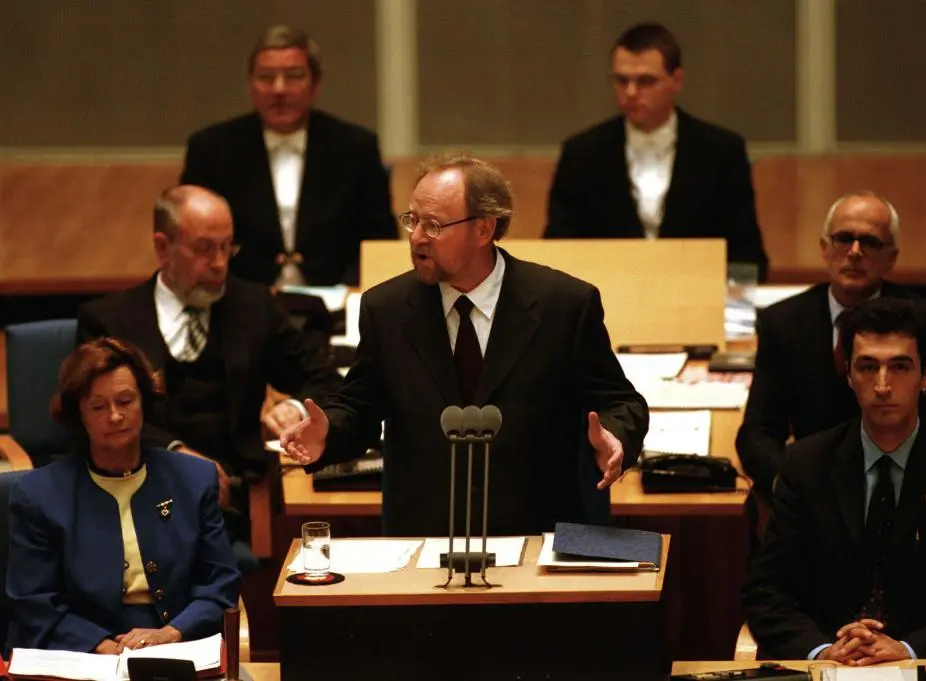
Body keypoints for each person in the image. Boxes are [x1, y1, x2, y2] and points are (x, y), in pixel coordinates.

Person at [279, 153, 649, 537]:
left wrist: (614, 436)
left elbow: (622, 402)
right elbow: (360, 407)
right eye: (413, 220)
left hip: (538, 536)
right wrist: (327, 434)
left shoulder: (564, 305)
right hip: (426, 538)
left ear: (484, 230)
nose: (417, 237)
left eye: (434, 225)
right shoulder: (386, 309)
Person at [77, 185, 342, 570]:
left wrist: (295, 406)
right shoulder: (108, 320)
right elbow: (93, 415)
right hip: (135, 490)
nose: (219, 263)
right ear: (163, 247)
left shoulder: (253, 307)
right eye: (204, 248)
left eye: (227, 247)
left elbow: (326, 378)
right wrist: (176, 455)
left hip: (233, 501)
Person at [742, 297, 926, 662]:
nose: (882, 385)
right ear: (848, 375)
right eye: (867, 367)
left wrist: (910, 649)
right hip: (829, 666)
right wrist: (821, 650)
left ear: (925, 376)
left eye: (899, 367)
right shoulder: (806, 465)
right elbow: (766, 592)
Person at [6, 337, 240, 653]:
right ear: (79, 415)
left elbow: (220, 584)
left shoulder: (193, 479)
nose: (115, 416)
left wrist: (172, 633)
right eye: (98, 406)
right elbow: (34, 603)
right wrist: (103, 647)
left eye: (126, 401)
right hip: (81, 653)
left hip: (178, 646)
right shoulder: (38, 495)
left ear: (144, 402)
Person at [737, 192, 926, 502]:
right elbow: (757, 434)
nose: (855, 252)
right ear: (825, 249)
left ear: (891, 258)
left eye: (869, 242)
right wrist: (790, 486)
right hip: (810, 490)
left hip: (897, 491)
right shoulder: (783, 322)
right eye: (844, 239)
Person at [544, 22, 768, 280]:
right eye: (621, 80)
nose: (630, 92)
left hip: (696, 297)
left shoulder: (722, 151)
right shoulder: (581, 153)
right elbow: (560, 246)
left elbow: (744, 249)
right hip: (607, 302)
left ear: (677, 80)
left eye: (645, 81)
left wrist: (737, 320)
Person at [180, 25, 397, 287]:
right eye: (266, 77)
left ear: (315, 84)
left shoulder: (356, 147)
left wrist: (347, 293)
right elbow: (192, 240)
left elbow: (379, 241)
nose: (279, 89)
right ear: (250, 84)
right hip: (240, 302)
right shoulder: (211, 149)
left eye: (294, 76)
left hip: (335, 296)